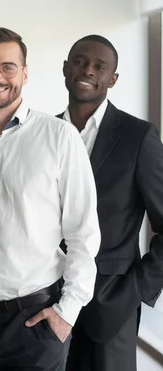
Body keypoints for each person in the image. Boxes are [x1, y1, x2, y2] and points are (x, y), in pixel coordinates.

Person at [0, 27, 101, 371]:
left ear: (24, 73)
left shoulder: (59, 138)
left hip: (36, 324)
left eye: (8, 67)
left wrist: (66, 313)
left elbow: (83, 232)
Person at [60, 35, 163, 371]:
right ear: (65, 68)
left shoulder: (138, 137)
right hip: (46, 303)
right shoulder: (45, 133)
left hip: (109, 305)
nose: (87, 70)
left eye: (99, 66)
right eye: (79, 61)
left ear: (112, 79)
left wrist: (133, 291)